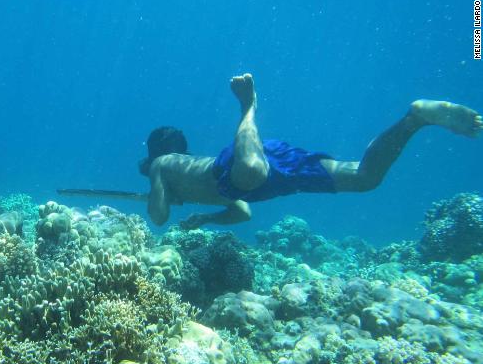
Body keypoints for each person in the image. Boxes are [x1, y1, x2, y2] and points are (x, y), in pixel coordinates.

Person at [139, 73, 483, 229]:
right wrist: (207, 219)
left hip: (240, 167)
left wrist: (162, 195)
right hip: (264, 173)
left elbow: (158, 217)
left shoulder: (163, 164)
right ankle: (414, 120)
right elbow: (243, 212)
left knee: (251, 173)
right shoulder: (180, 166)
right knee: (365, 177)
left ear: (157, 151)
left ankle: (248, 105)